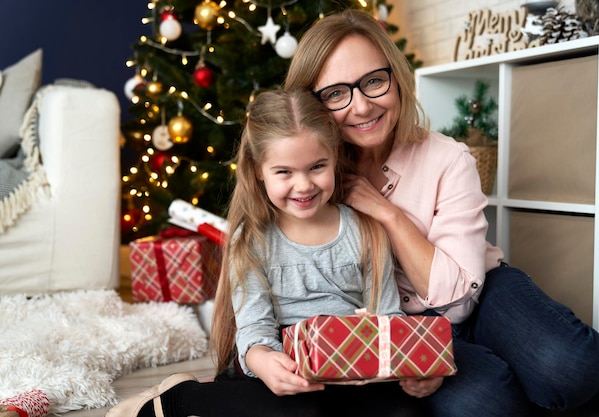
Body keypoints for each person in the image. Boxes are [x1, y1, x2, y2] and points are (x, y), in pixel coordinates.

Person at [282, 8, 599, 417]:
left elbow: (459, 302)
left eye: (374, 82)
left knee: (570, 367)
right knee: (486, 406)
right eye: (336, 93)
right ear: (312, 103)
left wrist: (385, 212)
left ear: (396, 78)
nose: (361, 107)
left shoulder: (447, 157)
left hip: (485, 294)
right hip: (406, 325)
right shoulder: (309, 179)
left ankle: (598, 388)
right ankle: (532, 385)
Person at [106, 88, 435, 417]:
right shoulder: (251, 240)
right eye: (285, 172)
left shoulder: (365, 229)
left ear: (335, 156)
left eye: (317, 167)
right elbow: (254, 327)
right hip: (278, 356)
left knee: (409, 413)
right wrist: (263, 361)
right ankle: (181, 397)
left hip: (350, 364)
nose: (303, 185)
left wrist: (414, 368)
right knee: (302, 411)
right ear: (258, 169)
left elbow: (389, 320)